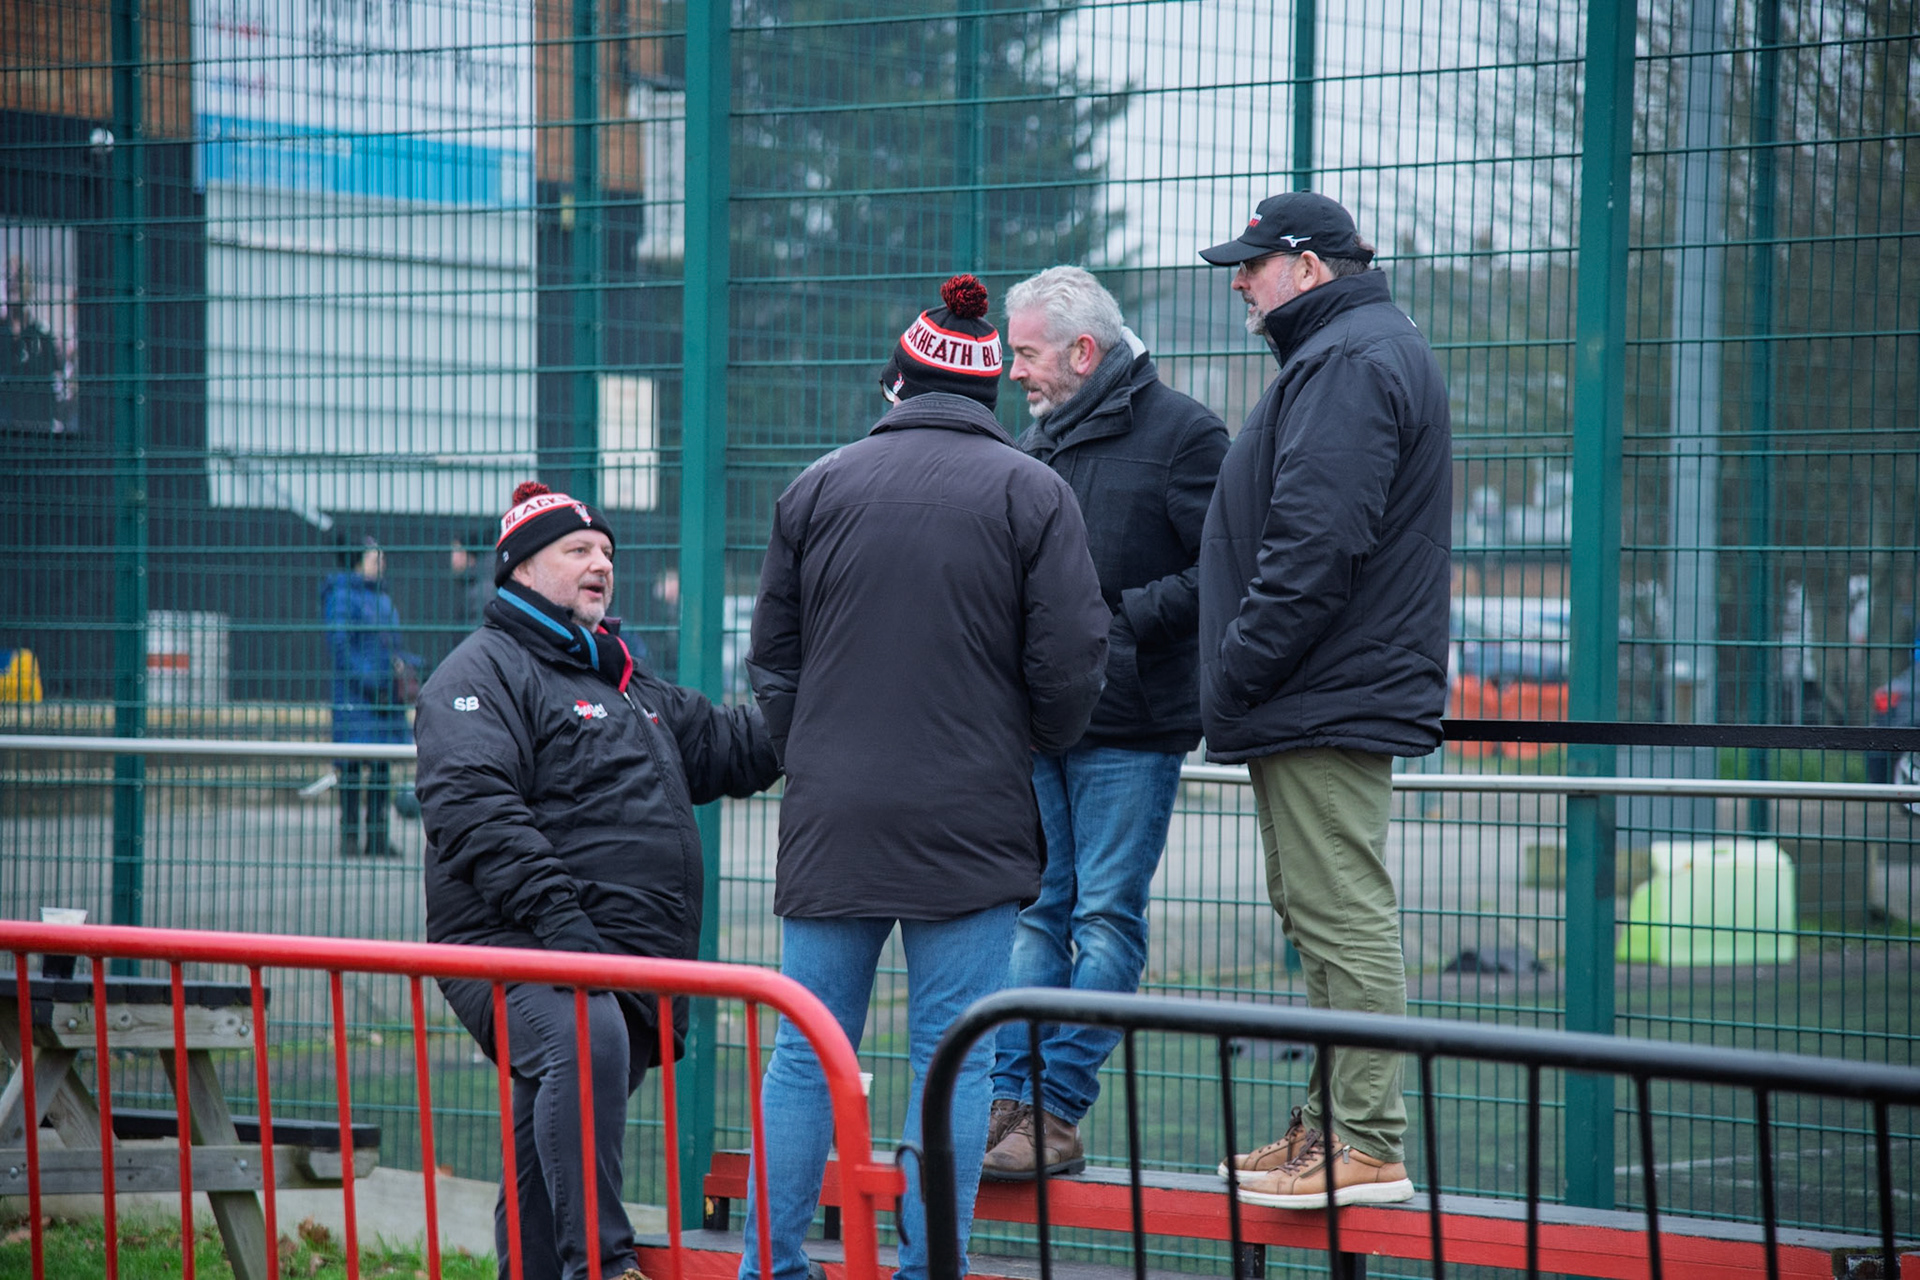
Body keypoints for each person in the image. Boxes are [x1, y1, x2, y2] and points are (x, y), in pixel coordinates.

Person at [741, 275, 1109, 1280]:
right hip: (975, 811)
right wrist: (1026, 738)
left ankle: (771, 1265)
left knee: (808, 1049)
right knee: (954, 1054)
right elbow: (1073, 661)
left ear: (899, 386)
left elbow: (772, 658)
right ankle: (926, 1267)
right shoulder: (1036, 491)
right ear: (989, 392)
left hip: (834, 812)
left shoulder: (817, 484)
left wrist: (810, 741)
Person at [416, 481, 780, 1280]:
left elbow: (731, 747)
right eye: (577, 551)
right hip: (516, 943)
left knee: (543, 1142)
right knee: (583, 1041)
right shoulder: (477, 672)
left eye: (607, 552)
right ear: (519, 570)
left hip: (606, 954)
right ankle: (606, 1268)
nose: (600, 565)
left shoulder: (623, 680)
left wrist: (820, 690)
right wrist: (567, 931)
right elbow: (475, 809)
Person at [1196, 193, 1452, 1209]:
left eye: (1252, 264)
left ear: (1307, 266)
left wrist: (1235, 671)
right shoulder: (1347, 348)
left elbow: (1315, 546)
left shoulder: (1347, 358)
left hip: (1321, 686)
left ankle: (1368, 1137)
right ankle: (1328, 1124)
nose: (1237, 281)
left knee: (1339, 912)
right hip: (1320, 686)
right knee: (1319, 908)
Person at [981, 266, 1229, 1179]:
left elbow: (1226, 571)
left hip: (1131, 725)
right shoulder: (1032, 444)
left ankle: (1055, 1110)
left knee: (1105, 916)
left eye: (1028, 354)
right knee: (1036, 913)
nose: (1016, 372)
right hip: (1039, 722)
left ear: (1084, 352)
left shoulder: (1187, 435)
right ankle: (1008, 1102)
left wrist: (1119, 622)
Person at [323, 536, 420, 858]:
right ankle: (350, 836)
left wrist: (410, 665)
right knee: (351, 767)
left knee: (381, 766)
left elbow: (391, 645)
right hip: (357, 695)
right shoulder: (341, 596)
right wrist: (368, 681)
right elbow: (341, 645)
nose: (382, 565)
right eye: (375, 559)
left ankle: (378, 837)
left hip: (384, 696)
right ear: (357, 562)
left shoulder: (381, 598)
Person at [1, 256, 63, 433]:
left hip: (34, 428)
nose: (14, 283)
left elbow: (55, 381)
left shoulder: (41, 334)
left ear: (30, 286)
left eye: (20, 277)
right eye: (9, 278)